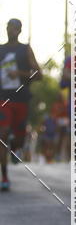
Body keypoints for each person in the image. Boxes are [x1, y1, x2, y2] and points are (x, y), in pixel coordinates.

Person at [0, 18, 42, 190]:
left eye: (16, 28)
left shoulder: (25, 49)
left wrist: (20, 73)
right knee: (2, 135)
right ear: (6, 29)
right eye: (10, 27)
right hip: (3, 98)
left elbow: (39, 75)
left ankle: (16, 148)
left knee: (18, 136)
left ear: (20, 30)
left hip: (21, 98)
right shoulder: (0, 49)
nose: (13, 30)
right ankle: (4, 177)